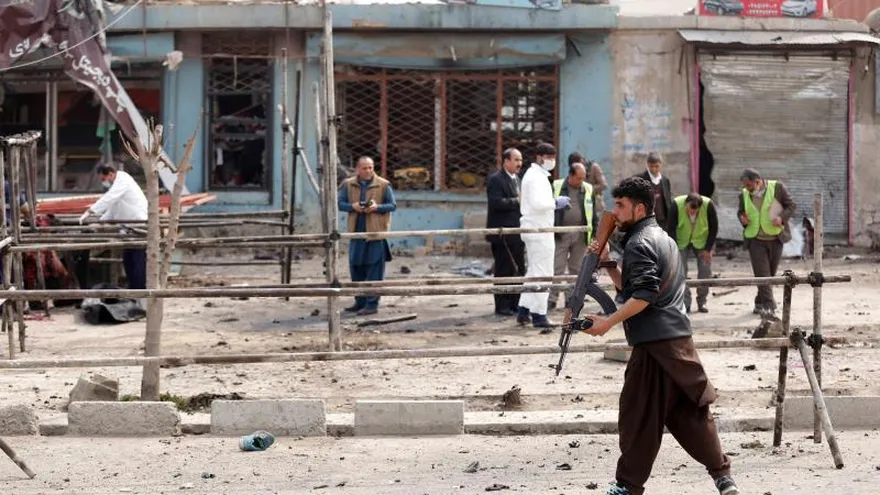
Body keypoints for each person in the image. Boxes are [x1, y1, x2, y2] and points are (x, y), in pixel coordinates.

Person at [580, 177, 740, 495]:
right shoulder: (662, 238)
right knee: (689, 412)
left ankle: (627, 486)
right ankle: (723, 477)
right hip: (678, 340)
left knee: (637, 416)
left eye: (620, 205)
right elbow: (635, 287)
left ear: (639, 209)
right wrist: (609, 263)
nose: (615, 212)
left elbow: (643, 296)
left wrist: (608, 322)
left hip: (654, 345)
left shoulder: (639, 243)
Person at [517, 142, 569, 329]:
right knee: (543, 273)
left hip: (536, 228)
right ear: (539, 157)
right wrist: (556, 203)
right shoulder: (535, 177)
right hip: (538, 230)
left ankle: (523, 310)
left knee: (533, 272)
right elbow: (538, 203)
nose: (551, 161)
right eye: (548, 157)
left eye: (553, 157)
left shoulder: (536, 175)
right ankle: (539, 314)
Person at [338, 157, 397, 316]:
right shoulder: (348, 184)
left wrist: (377, 207)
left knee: (374, 269)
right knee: (356, 267)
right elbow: (340, 204)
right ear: (357, 169)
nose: (368, 171)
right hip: (357, 233)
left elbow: (392, 205)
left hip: (376, 234)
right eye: (364, 168)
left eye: (370, 167)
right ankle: (360, 302)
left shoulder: (384, 184)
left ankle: (372, 304)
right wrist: (353, 206)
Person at [737, 168, 796, 316]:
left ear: (758, 182)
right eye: (744, 186)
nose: (746, 188)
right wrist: (743, 219)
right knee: (763, 274)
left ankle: (759, 302)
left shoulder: (777, 188)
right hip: (755, 240)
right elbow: (741, 212)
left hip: (775, 239)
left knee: (769, 275)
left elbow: (791, 206)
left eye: (749, 185)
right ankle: (770, 307)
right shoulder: (744, 194)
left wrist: (781, 218)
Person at [78, 166, 147, 289]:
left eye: (104, 179)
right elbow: (112, 208)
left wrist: (90, 211)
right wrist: (100, 223)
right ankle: (134, 288)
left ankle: (139, 289)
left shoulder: (123, 180)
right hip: (128, 229)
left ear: (110, 174)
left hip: (138, 225)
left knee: (137, 261)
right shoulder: (117, 189)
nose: (104, 182)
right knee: (128, 260)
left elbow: (109, 199)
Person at [549, 159, 595, 309]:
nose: (582, 181)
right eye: (579, 178)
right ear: (570, 176)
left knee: (576, 269)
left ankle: (571, 299)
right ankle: (552, 299)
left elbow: (593, 214)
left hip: (580, 234)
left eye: (583, 178)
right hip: (560, 233)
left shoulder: (588, 188)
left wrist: (593, 234)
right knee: (557, 267)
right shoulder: (557, 186)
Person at [486, 148, 526, 317]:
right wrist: (517, 201)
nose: (519, 164)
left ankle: (515, 304)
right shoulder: (496, 179)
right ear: (506, 161)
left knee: (519, 269)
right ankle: (502, 306)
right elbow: (496, 203)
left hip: (518, 232)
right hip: (502, 234)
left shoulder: (518, 179)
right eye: (516, 160)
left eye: (520, 160)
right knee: (504, 270)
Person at [668, 192, 718, 313]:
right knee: (680, 272)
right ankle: (685, 302)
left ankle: (702, 301)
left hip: (702, 241)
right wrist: (673, 249)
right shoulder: (676, 204)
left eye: (695, 211)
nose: (692, 213)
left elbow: (714, 228)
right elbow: (671, 229)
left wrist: (708, 249)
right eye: (690, 210)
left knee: (705, 270)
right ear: (686, 204)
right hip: (681, 241)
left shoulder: (708, 205)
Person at [637, 152, 674, 238]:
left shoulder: (665, 180)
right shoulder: (641, 180)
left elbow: (668, 199)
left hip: (663, 220)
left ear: (661, 164)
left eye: (656, 166)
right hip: (647, 220)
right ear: (648, 165)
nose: (654, 169)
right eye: (651, 166)